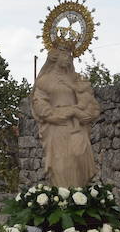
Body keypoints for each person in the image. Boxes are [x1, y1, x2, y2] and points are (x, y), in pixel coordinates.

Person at [31, 45, 99, 189]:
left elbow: (89, 102)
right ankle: (63, 199)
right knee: (61, 164)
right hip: (57, 130)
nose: (68, 58)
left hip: (76, 128)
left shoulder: (76, 80)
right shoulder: (45, 80)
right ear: (54, 56)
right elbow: (41, 107)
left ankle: (80, 196)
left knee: (79, 159)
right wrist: (67, 112)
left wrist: (86, 113)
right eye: (64, 55)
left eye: (70, 55)